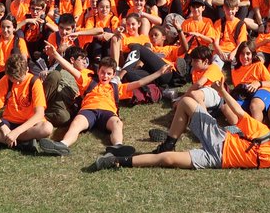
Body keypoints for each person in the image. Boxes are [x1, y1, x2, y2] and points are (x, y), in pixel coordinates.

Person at [90, 78, 270, 172]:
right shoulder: (263, 131)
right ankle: (170, 141)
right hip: (220, 139)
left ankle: (117, 161)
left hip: (217, 161)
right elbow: (240, 112)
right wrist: (222, 92)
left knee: (168, 161)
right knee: (188, 101)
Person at [32, 57, 169, 156]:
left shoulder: (117, 88)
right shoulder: (89, 82)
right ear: (98, 71)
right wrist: (55, 54)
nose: (105, 76)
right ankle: (63, 145)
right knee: (77, 123)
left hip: (108, 113)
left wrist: (159, 73)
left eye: (109, 73)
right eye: (103, 72)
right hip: (88, 110)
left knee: (117, 123)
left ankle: (117, 147)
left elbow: (139, 82)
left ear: (113, 74)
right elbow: (70, 68)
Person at [0, 50, 55, 150]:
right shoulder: (6, 80)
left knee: (47, 128)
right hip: (8, 122)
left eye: (19, 79)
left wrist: (17, 132)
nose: (17, 83)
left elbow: (39, 114)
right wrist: (2, 126)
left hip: (28, 125)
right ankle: (20, 143)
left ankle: (2, 140)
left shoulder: (34, 82)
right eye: (13, 79)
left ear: (27, 70)